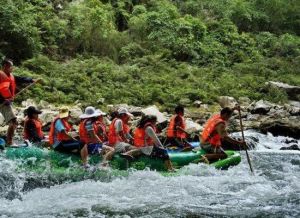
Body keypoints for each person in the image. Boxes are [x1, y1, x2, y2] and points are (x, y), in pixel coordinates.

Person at [0, 58, 39, 146]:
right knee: (13, 121)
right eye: (10, 66)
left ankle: (9, 141)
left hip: (7, 102)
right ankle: (9, 143)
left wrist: (32, 80)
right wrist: (3, 99)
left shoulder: (11, 76)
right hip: (2, 102)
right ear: (5, 66)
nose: (12, 68)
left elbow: (21, 79)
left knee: (14, 122)